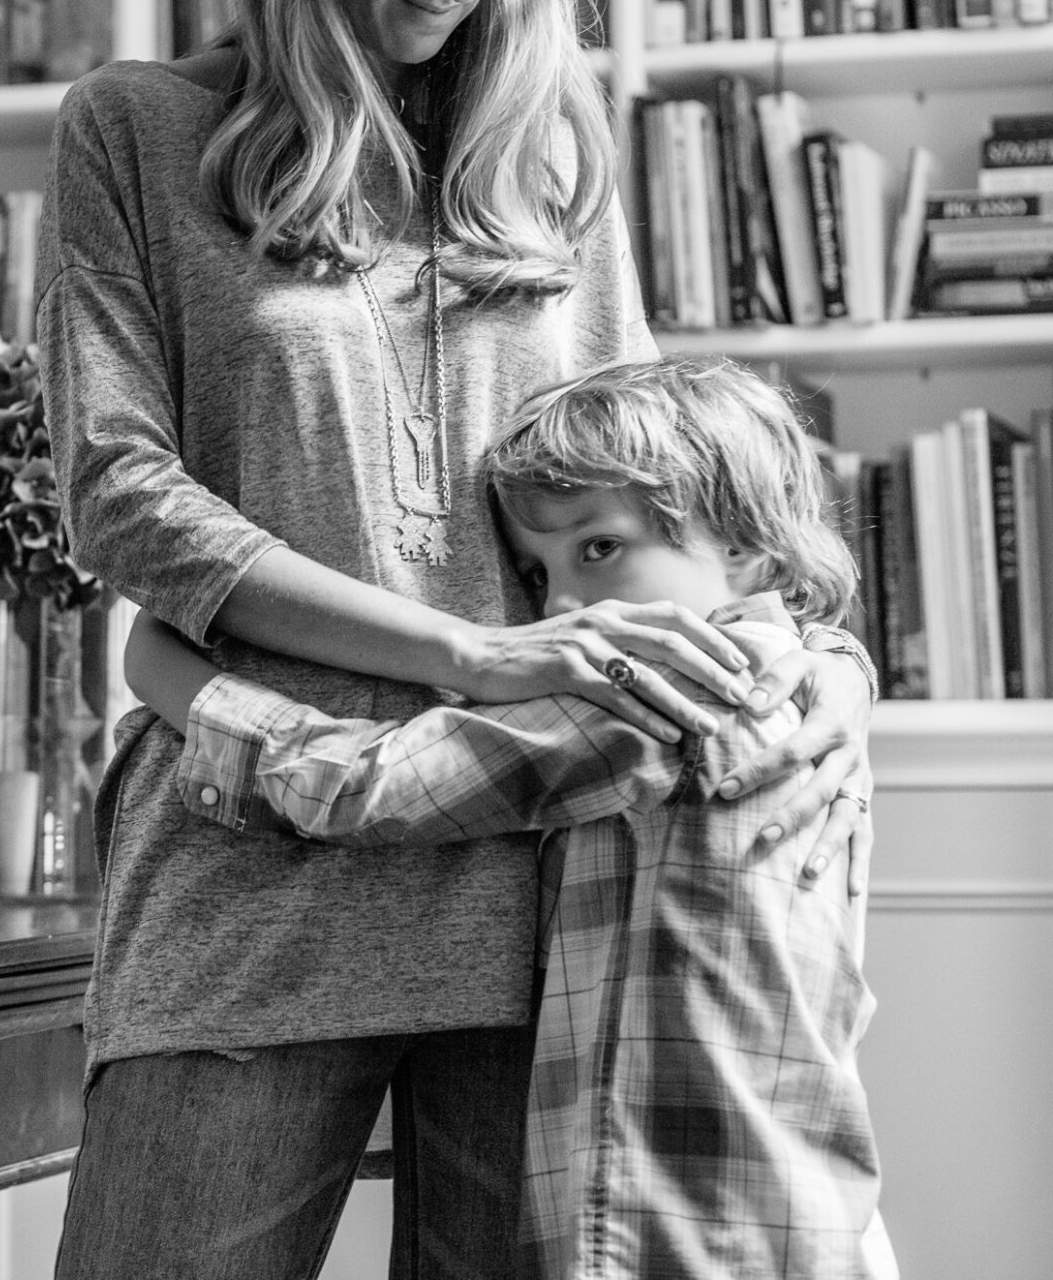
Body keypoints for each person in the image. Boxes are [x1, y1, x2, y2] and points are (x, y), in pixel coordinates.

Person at [38, 0, 874, 1276]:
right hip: (244, 888)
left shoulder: (552, 151)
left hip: (544, 895)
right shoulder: (135, 132)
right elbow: (120, 493)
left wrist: (798, 672)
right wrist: (467, 653)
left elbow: (659, 473)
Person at [129, 357, 896, 1280]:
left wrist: (172, 677)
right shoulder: (796, 685)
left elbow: (361, 785)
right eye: (538, 572)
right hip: (802, 1217)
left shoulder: (658, 698)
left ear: (745, 542)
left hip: (668, 1230)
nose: (562, 606)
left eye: (598, 548)